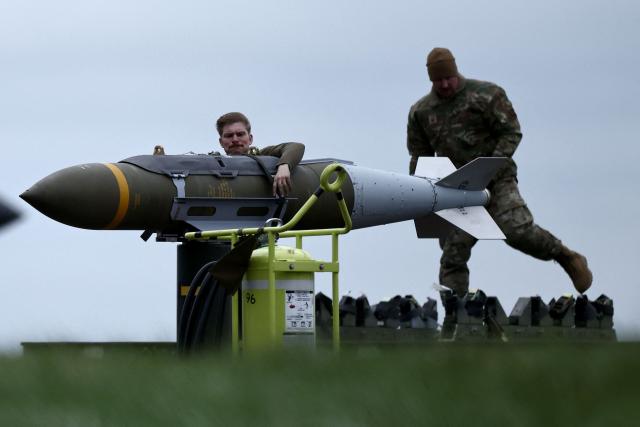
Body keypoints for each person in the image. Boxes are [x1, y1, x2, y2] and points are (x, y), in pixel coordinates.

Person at [406, 47, 592, 296]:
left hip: (497, 179)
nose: (445, 84)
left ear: (455, 71)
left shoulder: (486, 95)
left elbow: (511, 132)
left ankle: (566, 257)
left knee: (517, 232)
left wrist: (489, 167)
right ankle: (456, 318)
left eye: (448, 78)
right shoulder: (421, 112)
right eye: (438, 80)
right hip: (458, 188)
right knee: (453, 254)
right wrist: (423, 194)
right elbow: (421, 156)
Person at [153, 112, 304, 197]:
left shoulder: (262, 156)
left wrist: (284, 166)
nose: (235, 140)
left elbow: (296, 147)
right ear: (221, 142)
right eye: (229, 136)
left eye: (240, 134)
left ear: (250, 138)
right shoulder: (213, 163)